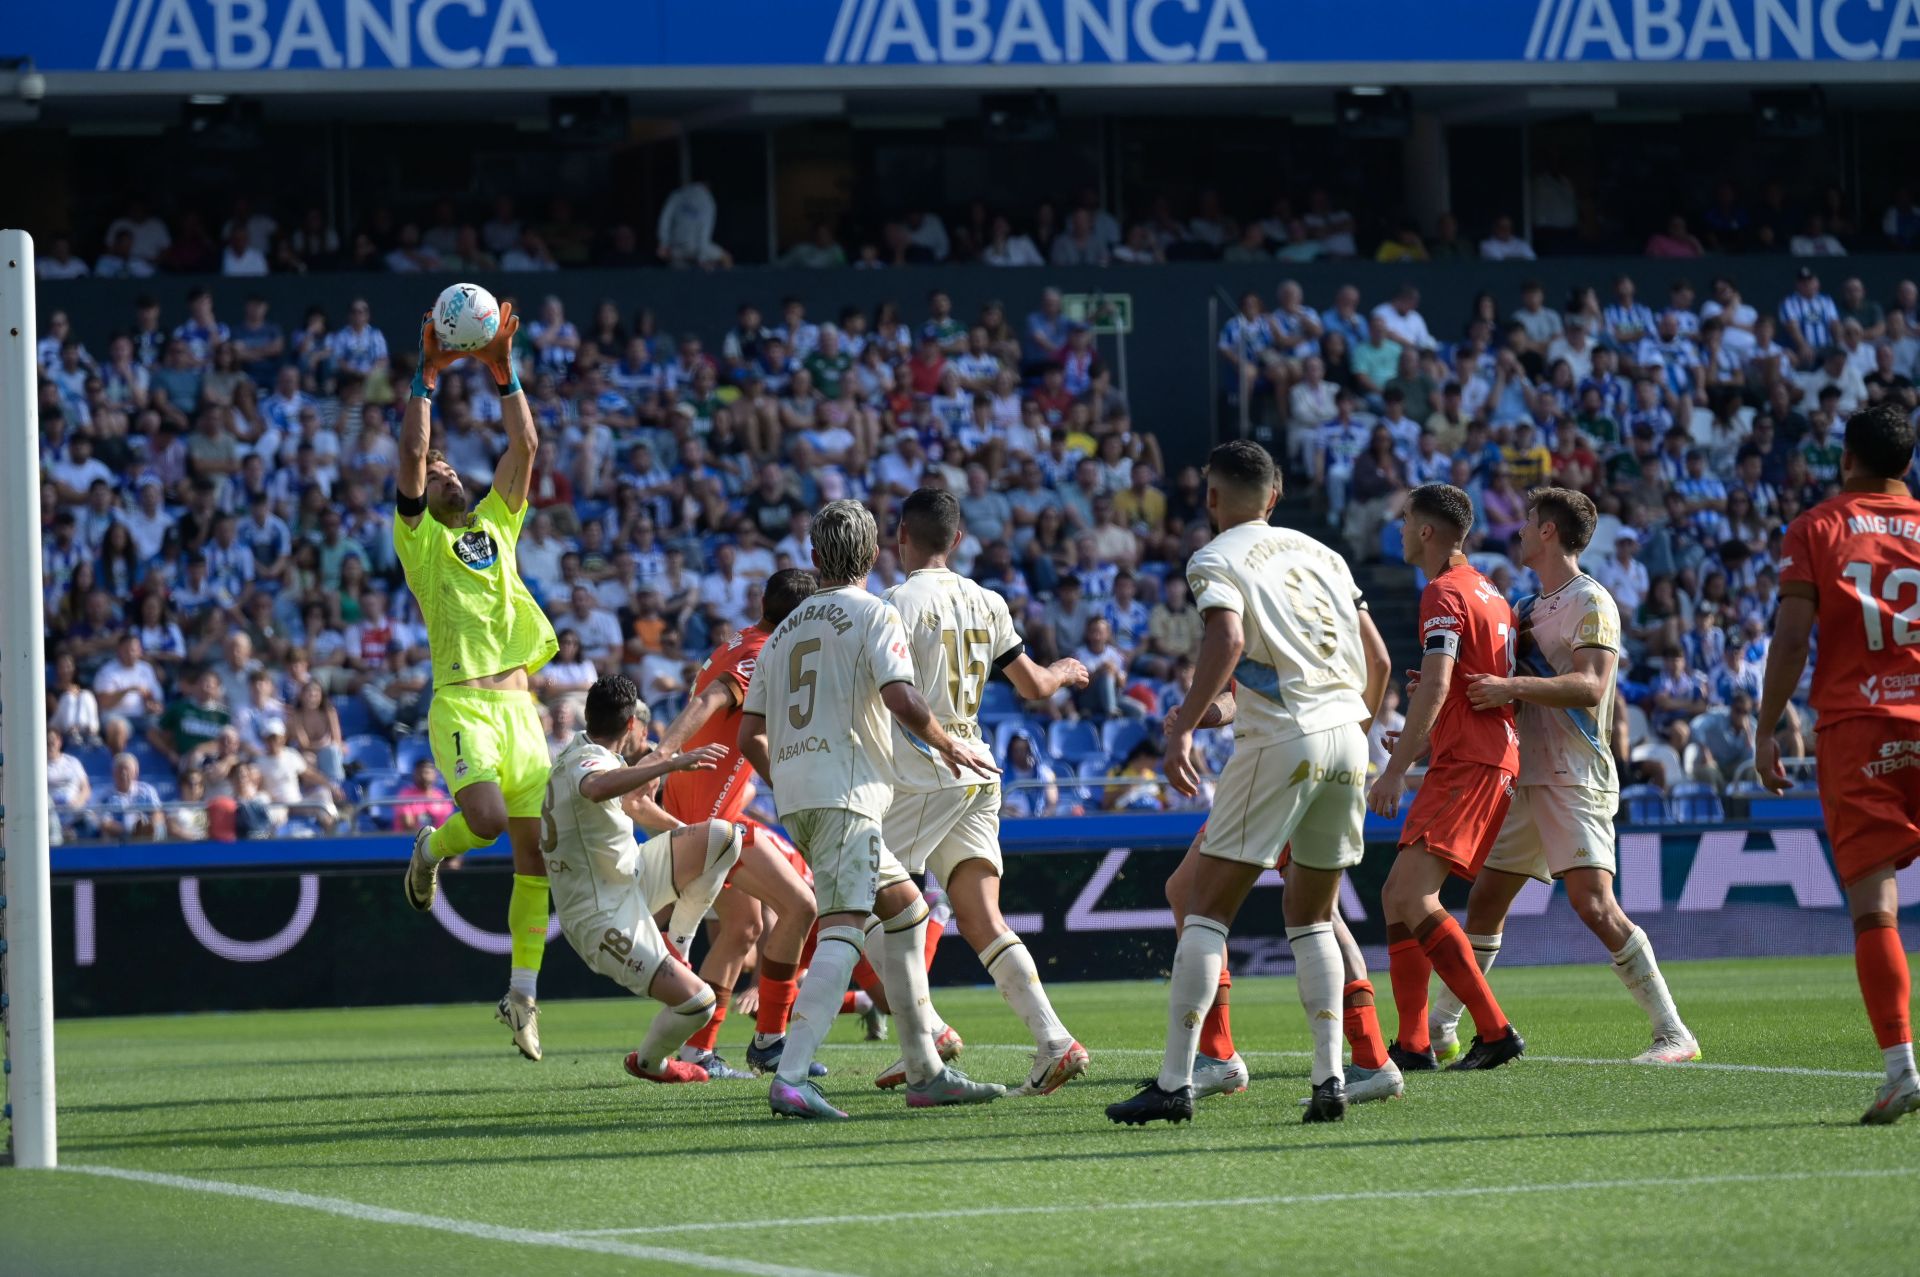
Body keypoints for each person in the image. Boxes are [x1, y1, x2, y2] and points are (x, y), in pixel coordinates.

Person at [1107, 441, 1393, 1127]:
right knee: (1313, 917)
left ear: (1211, 497)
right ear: (1276, 495)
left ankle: (1176, 1081)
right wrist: (1347, 728)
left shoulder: (1215, 557)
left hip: (1282, 742)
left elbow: (1228, 641)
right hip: (1346, 738)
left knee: (1204, 908)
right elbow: (1379, 660)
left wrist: (1179, 730)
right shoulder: (1325, 555)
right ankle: (1330, 1077)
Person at [738, 500, 1004, 1119]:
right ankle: (792, 1076)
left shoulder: (783, 631)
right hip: (849, 795)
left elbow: (751, 733)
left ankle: (925, 1070)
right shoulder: (875, 612)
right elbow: (901, 699)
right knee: (845, 927)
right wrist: (949, 744)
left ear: (813, 556)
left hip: (802, 798)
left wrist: (792, 779)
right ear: (876, 552)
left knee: (907, 911)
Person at [1425, 488, 1697, 1065]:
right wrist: (1432, 707)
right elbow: (1487, 686)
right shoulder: (1524, 608)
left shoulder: (1592, 601)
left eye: (1528, 521)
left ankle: (1674, 1032)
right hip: (1526, 774)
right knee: (1486, 901)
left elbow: (1591, 685)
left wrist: (1510, 685)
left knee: (1593, 904)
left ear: (1548, 531)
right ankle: (1441, 1027)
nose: (1520, 531)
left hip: (1575, 773)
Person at [882, 489, 1093, 1095]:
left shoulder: (892, 604)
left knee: (872, 902)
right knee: (981, 918)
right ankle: (1054, 1041)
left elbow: (888, 695)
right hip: (977, 767)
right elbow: (1034, 686)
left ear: (902, 535)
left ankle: (924, 1037)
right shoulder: (988, 600)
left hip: (921, 769)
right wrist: (1065, 670)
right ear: (957, 539)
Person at [395, 301, 563, 1062]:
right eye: (436, 474)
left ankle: (522, 997)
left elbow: (526, 444)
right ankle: (432, 850)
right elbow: (410, 454)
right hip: (462, 701)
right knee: (487, 819)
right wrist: (426, 377)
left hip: (521, 711)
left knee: (538, 858)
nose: (445, 472)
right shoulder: (421, 543)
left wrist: (505, 372)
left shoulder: (496, 523)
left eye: (450, 468)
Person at [1757, 404, 1920, 1124]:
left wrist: (1768, 726)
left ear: (1847, 457)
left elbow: (1793, 638)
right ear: (1907, 463)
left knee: (1874, 905)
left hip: (1860, 727)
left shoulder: (1816, 527)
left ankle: (1902, 1070)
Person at [1367, 484, 1526, 1073]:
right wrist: (1428, 737)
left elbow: (1435, 684)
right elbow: (1460, 687)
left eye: (1406, 520)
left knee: (1412, 896)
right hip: (1478, 753)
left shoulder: (1442, 592)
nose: (1401, 530)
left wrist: (1395, 770)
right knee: (1396, 895)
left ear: (1427, 531)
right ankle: (1412, 1044)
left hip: (1471, 762)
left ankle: (1495, 1030)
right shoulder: (1488, 591)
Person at [651, 570, 833, 1081]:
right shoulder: (758, 655)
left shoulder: (743, 640)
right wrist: (664, 754)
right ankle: (770, 1040)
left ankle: (698, 1052)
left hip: (708, 815)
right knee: (801, 907)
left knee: (744, 928)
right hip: (710, 824)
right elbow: (708, 701)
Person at [546, 674, 744, 1084]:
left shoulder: (592, 753)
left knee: (723, 838)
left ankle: (679, 943)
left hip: (630, 875)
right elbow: (596, 787)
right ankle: (651, 1063)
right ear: (631, 724)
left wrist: (690, 842)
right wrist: (670, 762)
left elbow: (628, 802)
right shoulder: (587, 761)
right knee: (699, 1003)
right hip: (600, 916)